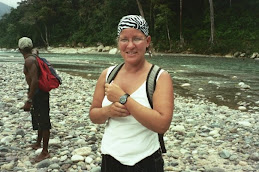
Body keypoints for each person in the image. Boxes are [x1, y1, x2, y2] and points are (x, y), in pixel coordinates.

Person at [89, 15, 174, 172]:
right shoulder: (107, 74)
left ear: (147, 41)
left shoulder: (159, 77)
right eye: (124, 39)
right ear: (118, 42)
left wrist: (123, 98)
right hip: (110, 159)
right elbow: (94, 115)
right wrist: (108, 111)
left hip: (145, 161)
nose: (130, 45)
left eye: (137, 38)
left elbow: (162, 125)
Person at [18, 37, 51, 162]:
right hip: (40, 93)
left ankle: (45, 151)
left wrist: (29, 100)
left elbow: (35, 81)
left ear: (20, 49)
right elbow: (36, 52)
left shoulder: (29, 61)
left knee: (44, 121)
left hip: (39, 94)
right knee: (38, 118)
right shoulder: (34, 57)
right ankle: (38, 143)